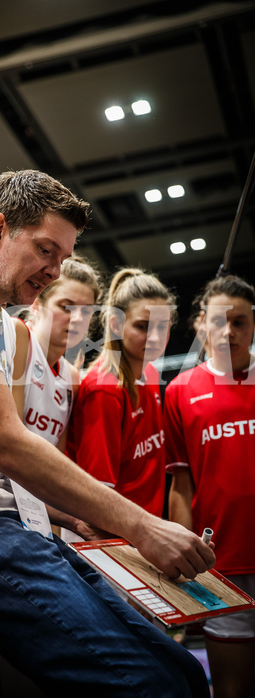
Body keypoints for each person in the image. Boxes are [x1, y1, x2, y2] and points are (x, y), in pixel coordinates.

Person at [0, 169, 215, 696]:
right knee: (151, 684)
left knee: (183, 672)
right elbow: (2, 443)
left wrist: (69, 514)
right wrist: (143, 527)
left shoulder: (4, 323)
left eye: (63, 259)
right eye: (45, 250)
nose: (54, 271)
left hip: (2, 526)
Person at [164, 274, 255, 698]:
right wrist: (183, 563)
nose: (229, 331)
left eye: (240, 321)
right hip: (224, 568)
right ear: (201, 323)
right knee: (231, 689)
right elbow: (181, 483)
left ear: (253, 325)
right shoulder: (181, 390)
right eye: (220, 321)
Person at [67, 268, 176, 525]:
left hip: (145, 534)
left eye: (164, 326)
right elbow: (97, 495)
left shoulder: (148, 372)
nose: (156, 337)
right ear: (116, 323)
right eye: (143, 326)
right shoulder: (104, 391)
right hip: (114, 537)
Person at [11, 253, 103, 539]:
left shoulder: (72, 378)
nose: (77, 319)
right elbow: (8, 445)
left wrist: (55, 537)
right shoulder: (17, 336)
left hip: (37, 513)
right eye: (66, 306)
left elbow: (55, 467)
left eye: (86, 311)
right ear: (37, 304)